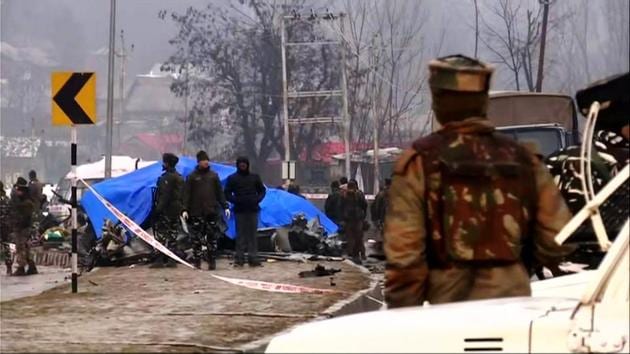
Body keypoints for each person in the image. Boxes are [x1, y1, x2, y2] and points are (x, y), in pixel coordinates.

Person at [384, 55, 574, 308]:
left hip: (448, 309)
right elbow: (557, 239)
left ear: (438, 101)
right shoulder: (524, 160)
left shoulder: (420, 162)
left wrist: (403, 316)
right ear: (484, 101)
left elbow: (405, 256)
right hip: (513, 305)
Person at [182, 150, 230, 270]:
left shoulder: (213, 176)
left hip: (211, 212)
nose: (206, 162)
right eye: (203, 161)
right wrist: (184, 209)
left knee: (212, 238)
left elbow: (219, 192)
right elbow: (186, 194)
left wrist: (225, 206)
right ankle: (197, 261)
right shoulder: (192, 177)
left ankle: (212, 261)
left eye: (207, 160)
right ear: (199, 162)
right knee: (196, 239)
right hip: (196, 212)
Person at [224, 156, 266, 267]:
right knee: (240, 235)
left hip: (253, 210)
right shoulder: (232, 178)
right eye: (240, 163)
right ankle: (239, 259)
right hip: (240, 211)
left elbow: (262, 190)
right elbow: (226, 193)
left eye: (244, 163)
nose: (243, 165)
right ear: (237, 165)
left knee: (252, 235)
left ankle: (253, 258)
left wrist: (257, 199)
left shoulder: (255, 177)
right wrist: (235, 200)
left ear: (248, 165)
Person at [151, 153, 184, 268]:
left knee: (161, 235)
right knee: (172, 235)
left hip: (166, 211)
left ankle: (159, 260)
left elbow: (164, 196)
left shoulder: (167, 178)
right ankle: (171, 260)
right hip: (175, 210)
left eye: (164, 162)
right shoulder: (178, 176)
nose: (163, 164)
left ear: (168, 163)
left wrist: (157, 210)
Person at [9, 178, 37, 276]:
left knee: (21, 247)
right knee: (25, 247)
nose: (17, 192)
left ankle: (21, 267)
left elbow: (21, 213)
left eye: (19, 190)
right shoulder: (24, 201)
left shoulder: (26, 203)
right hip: (21, 227)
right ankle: (31, 265)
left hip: (23, 228)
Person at [340, 179, 367, 264]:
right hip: (358, 219)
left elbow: (341, 206)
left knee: (350, 237)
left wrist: (343, 218)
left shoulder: (344, 195)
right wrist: (363, 216)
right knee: (359, 237)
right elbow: (364, 205)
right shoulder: (359, 194)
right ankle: (361, 254)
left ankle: (351, 254)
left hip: (349, 220)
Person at [0, 182, 12, 275]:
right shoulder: (6, 199)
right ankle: (9, 266)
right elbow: (10, 212)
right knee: (6, 245)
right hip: (5, 226)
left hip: (3, 225)